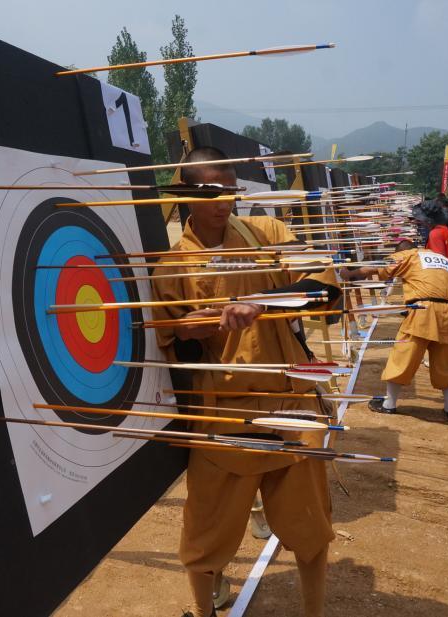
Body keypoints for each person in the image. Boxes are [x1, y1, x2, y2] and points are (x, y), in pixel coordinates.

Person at [151, 147, 338, 617]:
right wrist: (193, 331)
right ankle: (204, 611)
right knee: (206, 537)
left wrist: (264, 302)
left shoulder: (266, 233)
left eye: (229, 191)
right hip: (225, 414)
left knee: (311, 529)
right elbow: (178, 352)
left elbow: (323, 286)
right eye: (210, 193)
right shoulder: (172, 267)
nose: (222, 202)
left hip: (291, 403)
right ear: (188, 194)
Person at [342, 240, 448, 422]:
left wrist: (349, 274)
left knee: (403, 355)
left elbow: (377, 267)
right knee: (445, 361)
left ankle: (389, 405)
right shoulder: (443, 259)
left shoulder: (408, 255)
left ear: (400, 252)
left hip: (424, 310)